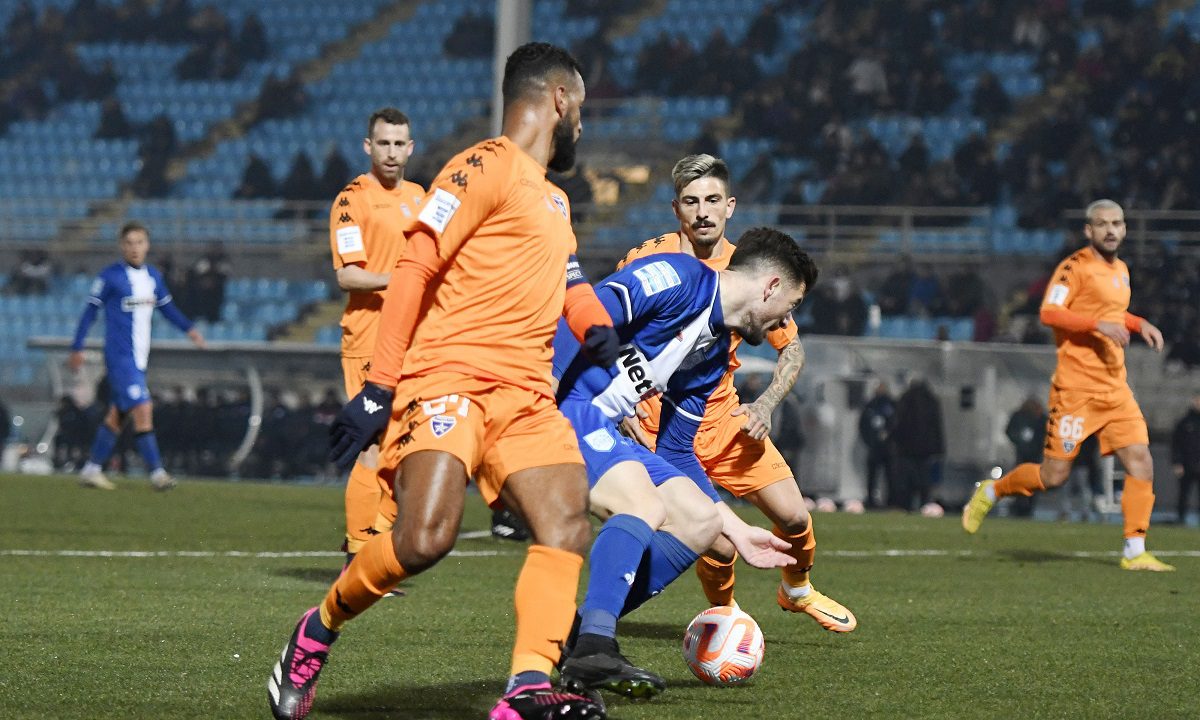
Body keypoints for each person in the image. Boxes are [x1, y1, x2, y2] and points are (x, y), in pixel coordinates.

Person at [267, 43, 615, 720]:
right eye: (581, 109)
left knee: (567, 526)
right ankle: (317, 628)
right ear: (560, 100)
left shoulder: (554, 199)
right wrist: (379, 388)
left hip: (525, 394)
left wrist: (598, 328)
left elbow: (571, 283)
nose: (582, 124)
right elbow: (415, 267)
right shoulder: (482, 164)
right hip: (450, 375)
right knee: (425, 538)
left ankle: (525, 690)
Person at [554, 227, 813, 699]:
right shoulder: (678, 277)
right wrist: (540, 396)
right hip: (559, 406)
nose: (785, 319)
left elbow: (675, 453)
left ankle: (578, 636)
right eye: (790, 306)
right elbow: (582, 311)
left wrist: (736, 530)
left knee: (699, 521)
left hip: (599, 422)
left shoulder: (712, 355)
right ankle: (594, 645)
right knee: (642, 505)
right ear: (771, 286)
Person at [613, 154, 856, 635]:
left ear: (730, 206)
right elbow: (611, 331)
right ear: (676, 209)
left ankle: (797, 590)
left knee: (795, 518)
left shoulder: (750, 271)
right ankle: (724, 616)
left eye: (712, 200)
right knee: (719, 545)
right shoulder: (648, 261)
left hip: (725, 424)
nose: (702, 212)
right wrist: (624, 407)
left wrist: (765, 403)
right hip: (659, 429)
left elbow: (792, 349)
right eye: (691, 201)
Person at [963, 199, 1174, 571]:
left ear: (1125, 229)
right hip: (1076, 391)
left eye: (1117, 223)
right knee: (1053, 475)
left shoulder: (1121, 270)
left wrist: (1138, 323)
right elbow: (1049, 312)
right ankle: (992, 490)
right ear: (1088, 231)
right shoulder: (1073, 267)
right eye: (1102, 224)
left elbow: (1112, 314)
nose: (1111, 230)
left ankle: (1134, 551)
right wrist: (1097, 325)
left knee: (1141, 460)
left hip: (1115, 389)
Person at [328, 107, 425, 574]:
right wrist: (402, 278)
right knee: (372, 445)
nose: (390, 152)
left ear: (410, 148)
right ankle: (357, 558)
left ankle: (374, 544)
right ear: (368, 147)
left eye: (398, 143)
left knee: (406, 449)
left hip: (413, 340)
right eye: (382, 143)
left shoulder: (420, 197)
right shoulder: (352, 200)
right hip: (369, 339)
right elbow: (348, 275)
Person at [69, 222, 205, 490]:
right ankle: (158, 474)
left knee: (118, 414)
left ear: (147, 245)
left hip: (140, 359)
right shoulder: (110, 276)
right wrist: (77, 347)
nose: (134, 248)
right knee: (143, 407)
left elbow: (168, 308)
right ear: (121, 246)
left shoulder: (153, 276)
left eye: (139, 242)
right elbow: (89, 312)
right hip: (120, 357)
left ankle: (92, 469)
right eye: (129, 243)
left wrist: (190, 329)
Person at [890, 376, 944, 512]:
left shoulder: (905, 400)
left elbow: (898, 425)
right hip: (925, 450)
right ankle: (924, 506)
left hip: (906, 450)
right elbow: (936, 427)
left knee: (905, 481)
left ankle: (905, 507)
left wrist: (895, 444)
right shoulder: (931, 401)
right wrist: (939, 448)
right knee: (924, 482)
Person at [1004, 395, 1049, 518]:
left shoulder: (1040, 418)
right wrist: (1019, 440)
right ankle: (1022, 505)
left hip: (1033, 455)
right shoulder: (1021, 416)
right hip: (1025, 455)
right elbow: (1009, 431)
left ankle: (1025, 505)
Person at [858, 378, 895, 508]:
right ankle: (871, 499)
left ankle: (891, 500)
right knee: (872, 476)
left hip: (888, 448)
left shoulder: (892, 405)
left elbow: (896, 424)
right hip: (874, 447)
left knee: (890, 476)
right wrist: (869, 441)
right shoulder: (870, 405)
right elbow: (863, 426)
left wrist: (890, 439)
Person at [1171, 391, 1200, 524]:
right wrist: (1177, 462)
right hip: (1187, 464)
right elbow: (1176, 444)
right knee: (1183, 494)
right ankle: (1181, 518)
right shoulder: (1184, 422)